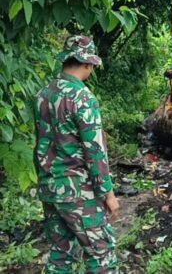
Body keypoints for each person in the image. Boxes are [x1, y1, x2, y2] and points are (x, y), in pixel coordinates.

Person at [34, 35, 119, 274]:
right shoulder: (82, 98)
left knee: (60, 255)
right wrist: (108, 195)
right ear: (87, 64)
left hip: (50, 188)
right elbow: (95, 152)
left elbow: (41, 144)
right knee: (101, 254)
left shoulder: (43, 94)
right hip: (78, 191)